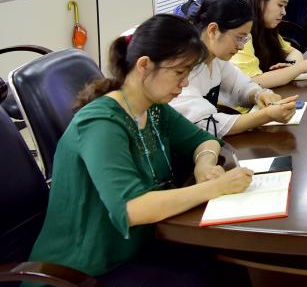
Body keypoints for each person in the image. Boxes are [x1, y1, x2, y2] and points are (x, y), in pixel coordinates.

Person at [29, 14, 254, 284]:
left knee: (230, 265)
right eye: (179, 73)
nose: (184, 84)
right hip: (85, 269)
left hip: (141, 244)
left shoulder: (154, 108)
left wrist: (204, 165)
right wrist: (216, 187)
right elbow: (132, 208)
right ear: (145, 65)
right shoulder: (101, 123)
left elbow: (204, 140)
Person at [171, 0, 298, 136]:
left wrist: (259, 95)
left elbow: (241, 86)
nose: (241, 46)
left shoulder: (216, 60)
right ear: (213, 30)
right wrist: (267, 115)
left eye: (245, 39)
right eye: (239, 37)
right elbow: (208, 124)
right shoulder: (183, 70)